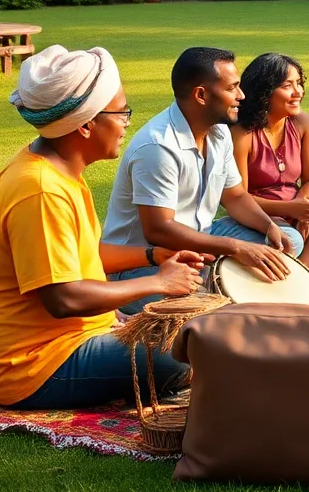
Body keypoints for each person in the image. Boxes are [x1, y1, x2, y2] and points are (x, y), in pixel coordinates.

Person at [0, 46, 207, 409]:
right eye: (121, 112)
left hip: (63, 340)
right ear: (86, 124)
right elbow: (64, 298)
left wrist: (154, 255)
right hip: (28, 366)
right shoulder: (41, 189)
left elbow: (84, 256)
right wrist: (159, 281)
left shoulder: (57, 169)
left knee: (184, 325)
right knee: (184, 353)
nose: (127, 121)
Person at [102, 47, 293, 314]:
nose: (241, 95)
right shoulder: (158, 146)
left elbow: (235, 196)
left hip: (202, 240)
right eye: (232, 88)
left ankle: (223, 284)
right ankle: (223, 289)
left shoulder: (219, 132)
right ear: (201, 95)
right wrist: (236, 248)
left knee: (287, 239)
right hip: (144, 264)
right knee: (200, 303)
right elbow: (158, 230)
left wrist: (269, 226)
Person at [232, 53, 309, 292]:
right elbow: (238, 198)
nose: (298, 92)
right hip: (258, 214)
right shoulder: (242, 134)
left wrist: (302, 207)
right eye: (287, 85)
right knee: (288, 238)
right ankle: (294, 277)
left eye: (299, 83)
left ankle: (302, 273)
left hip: (296, 208)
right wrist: (290, 210)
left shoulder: (302, 122)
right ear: (264, 91)